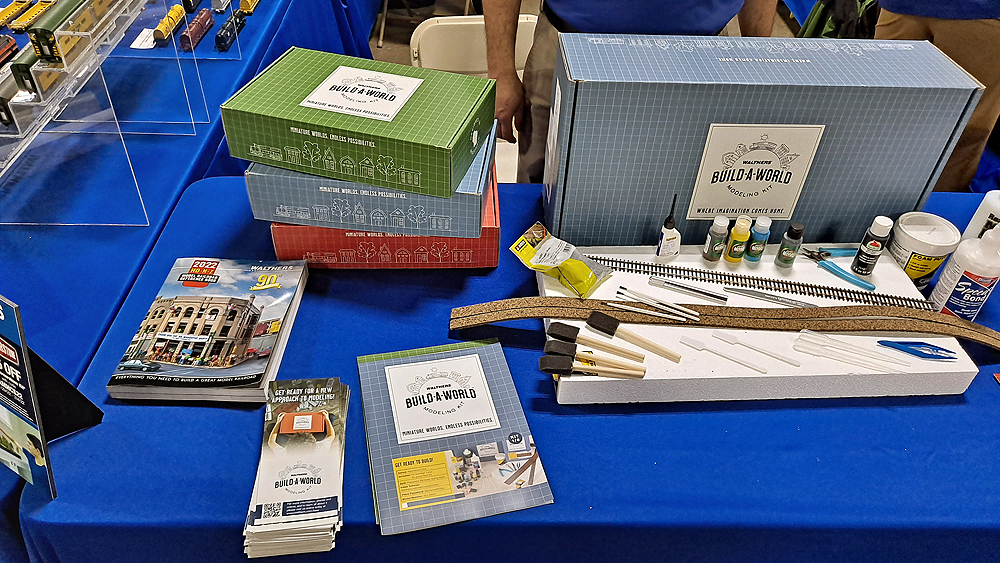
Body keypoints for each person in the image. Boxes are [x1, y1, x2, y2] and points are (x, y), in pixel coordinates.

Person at [484, 0, 779, 183]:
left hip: (703, 53)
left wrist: (758, 60)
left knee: (681, 189)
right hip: (572, 45)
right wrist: (501, 70)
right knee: (544, 185)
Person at [875, 3, 1000, 192]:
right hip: (979, 12)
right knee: (963, 131)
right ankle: (931, 214)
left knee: (961, 131)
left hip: (974, 13)